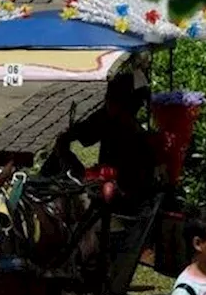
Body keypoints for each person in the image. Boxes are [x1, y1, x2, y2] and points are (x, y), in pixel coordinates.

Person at [47, 71, 157, 205]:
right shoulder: (105, 119)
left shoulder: (136, 134)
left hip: (127, 193)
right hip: (107, 185)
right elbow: (79, 136)